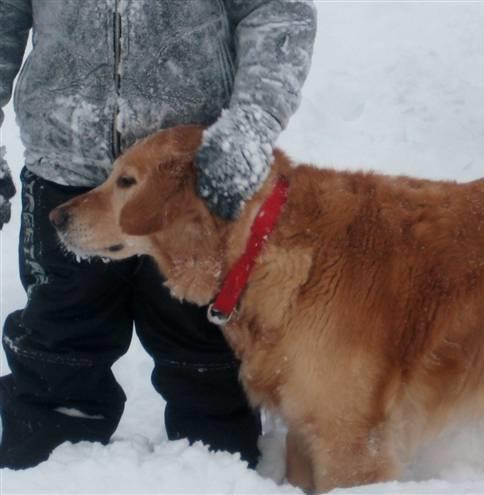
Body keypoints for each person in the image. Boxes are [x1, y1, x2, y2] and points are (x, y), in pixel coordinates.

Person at [0, 0, 316, 469]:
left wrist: (248, 128)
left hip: (188, 185)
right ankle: (46, 472)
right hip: (65, 177)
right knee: (57, 348)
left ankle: (217, 473)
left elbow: (277, 11)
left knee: (207, 358)